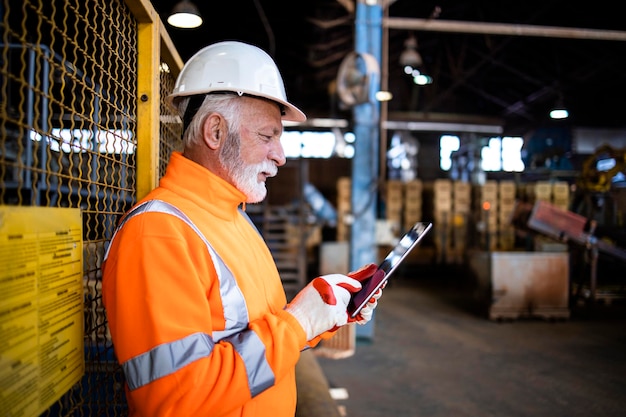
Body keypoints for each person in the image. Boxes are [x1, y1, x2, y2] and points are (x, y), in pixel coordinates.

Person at [102, 40, 383, 417]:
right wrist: (298, 322)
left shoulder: (234, 217)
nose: (280, 155)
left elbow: (259, 336)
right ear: (215, 132)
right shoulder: (157, 234)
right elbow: (174, 400)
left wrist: (326, 310)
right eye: (267, 136)